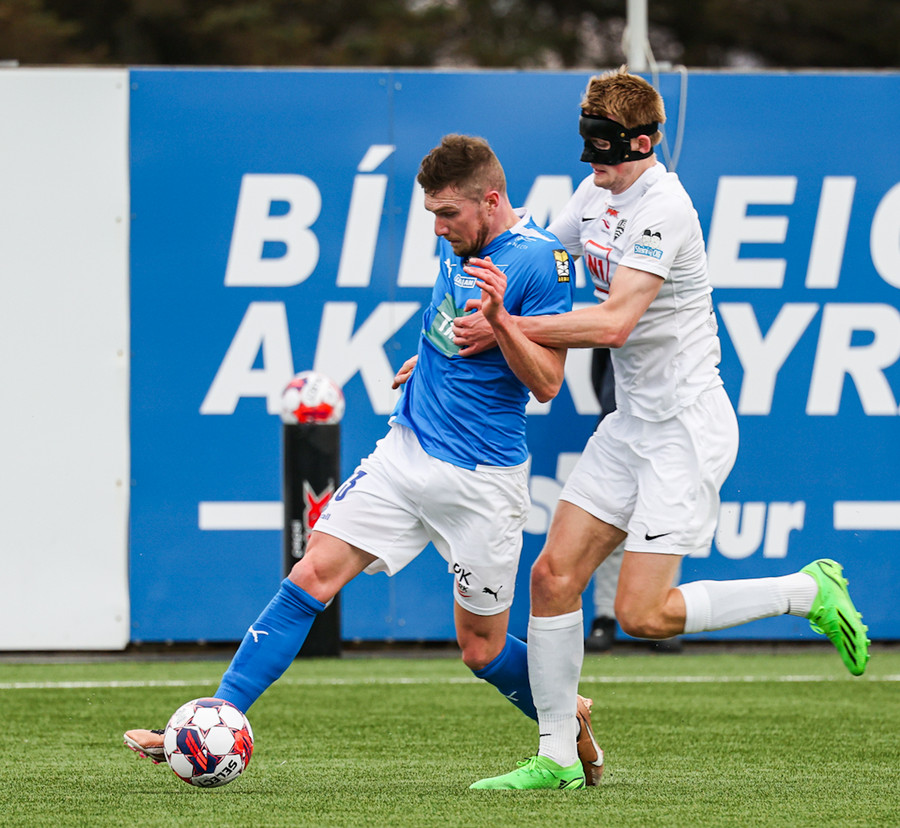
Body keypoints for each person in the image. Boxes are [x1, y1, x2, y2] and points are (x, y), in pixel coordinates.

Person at [123, 134, 605, 786]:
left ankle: (566, 718)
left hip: (482, 482)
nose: (437, 228)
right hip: (404, 455)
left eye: (448, 214)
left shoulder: (542, 261)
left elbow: (546, 383)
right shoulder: (460, 245)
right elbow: (450, 330)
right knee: (309, 577)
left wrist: (502, 322)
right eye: (432, 213)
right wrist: (427, 363)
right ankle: (210, 721)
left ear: (491, 200)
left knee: (481, 649)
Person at [449, 69, 870, 791]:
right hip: (631, 424)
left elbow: (615, 322)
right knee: (552, 578)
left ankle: (806, 591)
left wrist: (507, 327)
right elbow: (530, 256)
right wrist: (445, 344)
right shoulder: (596, 193)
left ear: (641, 143)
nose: (592, 161)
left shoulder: (665, 209)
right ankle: (556, 756)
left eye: (604, 147)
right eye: (587, 144)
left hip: (685, 428)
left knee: (643, 615)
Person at [585, 349, 682, 654]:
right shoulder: (614, 320)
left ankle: (660, 618)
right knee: (608, 526)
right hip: (617, 434)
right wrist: (612, 410)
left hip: (669, 435)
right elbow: (599, 369)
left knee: (663, 528)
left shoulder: (684, 325)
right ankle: (605, 617)